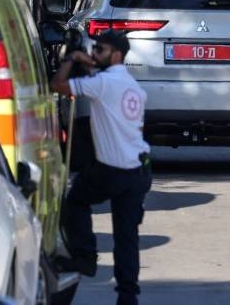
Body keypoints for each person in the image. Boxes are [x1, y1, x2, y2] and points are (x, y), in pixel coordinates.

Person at [50, 29, 152, 305]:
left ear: (115, 55)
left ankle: (85, 257)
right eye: (93, 50)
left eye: (100, 50)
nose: (94, 54)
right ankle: (128, 297)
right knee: (126, 237)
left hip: (111, 170)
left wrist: (71, 59)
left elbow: (58, 86)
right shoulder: (133, 87)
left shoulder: (104, 83)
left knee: (75, 202)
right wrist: (91, 64)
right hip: (138, 170)